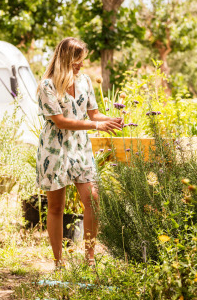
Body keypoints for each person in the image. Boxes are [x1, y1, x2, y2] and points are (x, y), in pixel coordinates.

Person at [36, 37, 123, 269]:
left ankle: (90, 258)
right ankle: (59, 262)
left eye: (82, 61)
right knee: (56, 207)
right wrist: (96, 126)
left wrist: (111, 120)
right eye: (77, 61)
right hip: (55, 149)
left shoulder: (84, 81)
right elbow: (61, 122)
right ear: (65, 58)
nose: (81, 65)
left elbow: (93, 114)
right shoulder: (48, 86)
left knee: (92, 200)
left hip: (80, 148)